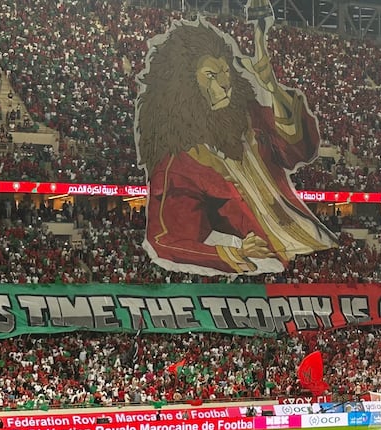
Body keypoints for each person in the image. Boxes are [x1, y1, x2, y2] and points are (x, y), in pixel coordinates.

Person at [134, 17, 337, 276]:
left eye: (225, 72)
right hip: (276, 260)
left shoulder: (249, 117)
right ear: (182, 85)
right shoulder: (179, 165)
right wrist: (235, 252)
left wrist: (272, 87)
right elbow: (166, 239)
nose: (224, 83)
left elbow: (300, 151)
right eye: (210, 75)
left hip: (316, 241)